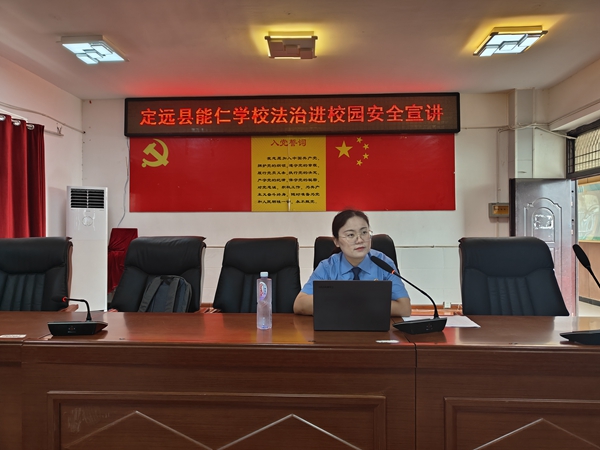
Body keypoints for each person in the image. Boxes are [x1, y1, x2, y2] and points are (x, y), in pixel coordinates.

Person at [294, 209, 411, 317]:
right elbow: (299, 304)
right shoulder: (328, 267)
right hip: (336, 328)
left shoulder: (383, 263)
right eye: (351, 235)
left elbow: (404, 308)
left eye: (364, 232)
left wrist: (342, 303)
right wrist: (366, 303)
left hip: (374, 328)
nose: (360, 240)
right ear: (336, 241)